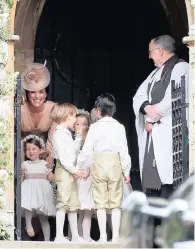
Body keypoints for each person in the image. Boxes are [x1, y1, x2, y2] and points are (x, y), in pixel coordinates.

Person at [133, 35, 189, 198]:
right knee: (153, 182)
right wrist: (146, 107)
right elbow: (138, 96)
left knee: (171, 181)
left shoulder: (181, 68)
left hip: (171, 131)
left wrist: (150, 118)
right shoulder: (155, 73)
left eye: (151, 52)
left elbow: (174, 97)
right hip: (154, 135)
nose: (149, 56)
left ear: (160, 51)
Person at [76, 93, 131, 243]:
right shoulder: (120, 127)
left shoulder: (94, 127)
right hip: (115, 165)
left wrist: (78, 166)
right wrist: (126, 171)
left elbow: (87, 151)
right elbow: (124, 151)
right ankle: (115, 238)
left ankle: (102, 236)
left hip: (98, 164)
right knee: (116, 203)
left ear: (98, 110)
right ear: (113, 110)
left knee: (99, 202)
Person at [50, 103, 84, 242]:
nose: (75, 120)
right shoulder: (59, 134)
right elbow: (64, 159)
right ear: (67, 116)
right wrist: (74, 170)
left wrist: (78, 138)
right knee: (63, 202)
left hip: (69, 170)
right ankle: (59, 235)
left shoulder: (66, 134)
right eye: (74, 116)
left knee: (72, 204)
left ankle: (74, 235)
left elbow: (72, 153)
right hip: (64, 171)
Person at [21, 135, 56, 241]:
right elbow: (22, 178)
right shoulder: (24, 164)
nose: (30, 151)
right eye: (27, 149)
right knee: (28, 205)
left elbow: (51, 178)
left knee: (44, 218)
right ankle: (28, 225)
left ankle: (47, 240)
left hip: (41, 192)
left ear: (40, 150)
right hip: (29, 189)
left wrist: (54, 172)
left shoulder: (45, 164)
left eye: (33, 149)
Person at [21, 62, 55, 167]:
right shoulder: (20, 107)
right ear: (27, 93)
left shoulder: (53, 108)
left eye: (41, 92)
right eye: (33, 92)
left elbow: (52, 138)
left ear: (46, 94)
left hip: (42, 153)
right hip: (20, 151)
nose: (37, 96)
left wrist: (50, 155)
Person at [74, 110, 94, 242]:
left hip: (88, 178)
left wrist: (89, 169)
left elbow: (94, 157)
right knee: (76, 211)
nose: (81, 127)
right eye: (78, 124)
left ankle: (86, 237)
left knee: (87, 210)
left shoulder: (91, 141)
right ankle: (76, 236)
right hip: (77, 178)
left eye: (85, 124)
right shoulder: (73, 141)